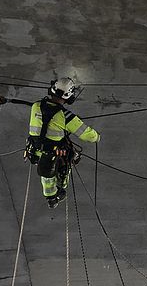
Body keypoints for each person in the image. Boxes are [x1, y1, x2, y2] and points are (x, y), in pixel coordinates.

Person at [24, 77, 100, 208]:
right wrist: (97, 137)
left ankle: (51, 197)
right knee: (67, 161)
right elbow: (89, 136)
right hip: (54, 154)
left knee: (47, 177)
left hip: (35, 151)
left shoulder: (35, 106)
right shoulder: (65, 116)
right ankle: (58, 191)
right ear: (69, 96)